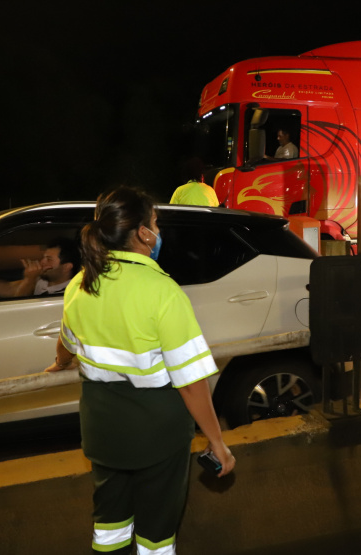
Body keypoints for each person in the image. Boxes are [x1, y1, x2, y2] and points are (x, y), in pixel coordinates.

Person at [44, 185, 235, 555]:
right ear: (143, 233)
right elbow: (192, 382)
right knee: (157, 531)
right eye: (155, 223)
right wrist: (217, 443)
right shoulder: (162, 292)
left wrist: (59, 364)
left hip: (102, 430)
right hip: (157, 435)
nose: (158, 232)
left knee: (110, 524)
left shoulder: (79, 286)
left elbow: (66, 342)